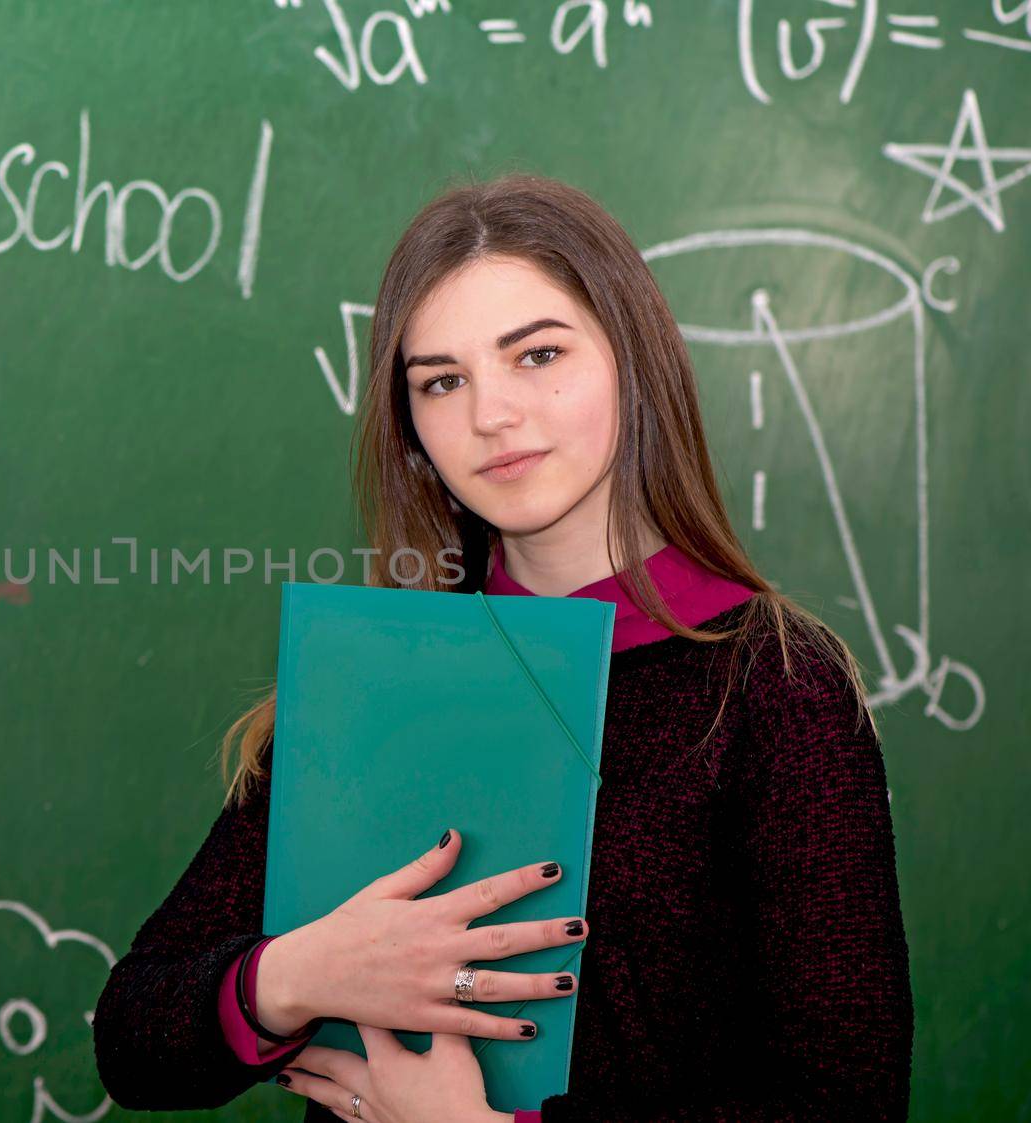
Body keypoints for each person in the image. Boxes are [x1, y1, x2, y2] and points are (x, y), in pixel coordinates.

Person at [91, 172, 913, 1121]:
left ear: (633, 361)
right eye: (442, 380)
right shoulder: (375, 670)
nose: (490, 415)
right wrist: (299, 972)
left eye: (537, 355)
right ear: (412, 431)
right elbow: (132, 1036)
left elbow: (846, 1097)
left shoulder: (776, 687)